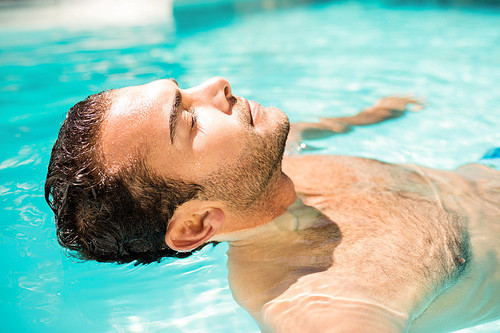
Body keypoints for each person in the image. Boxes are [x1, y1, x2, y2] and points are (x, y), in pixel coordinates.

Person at [45, 77, 500, 332]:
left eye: (185, 89)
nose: (216, 86)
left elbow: (302, 131)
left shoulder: (264, 162)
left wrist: (372, 116)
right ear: (195, 225)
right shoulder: (315, 300)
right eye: (187, 120)